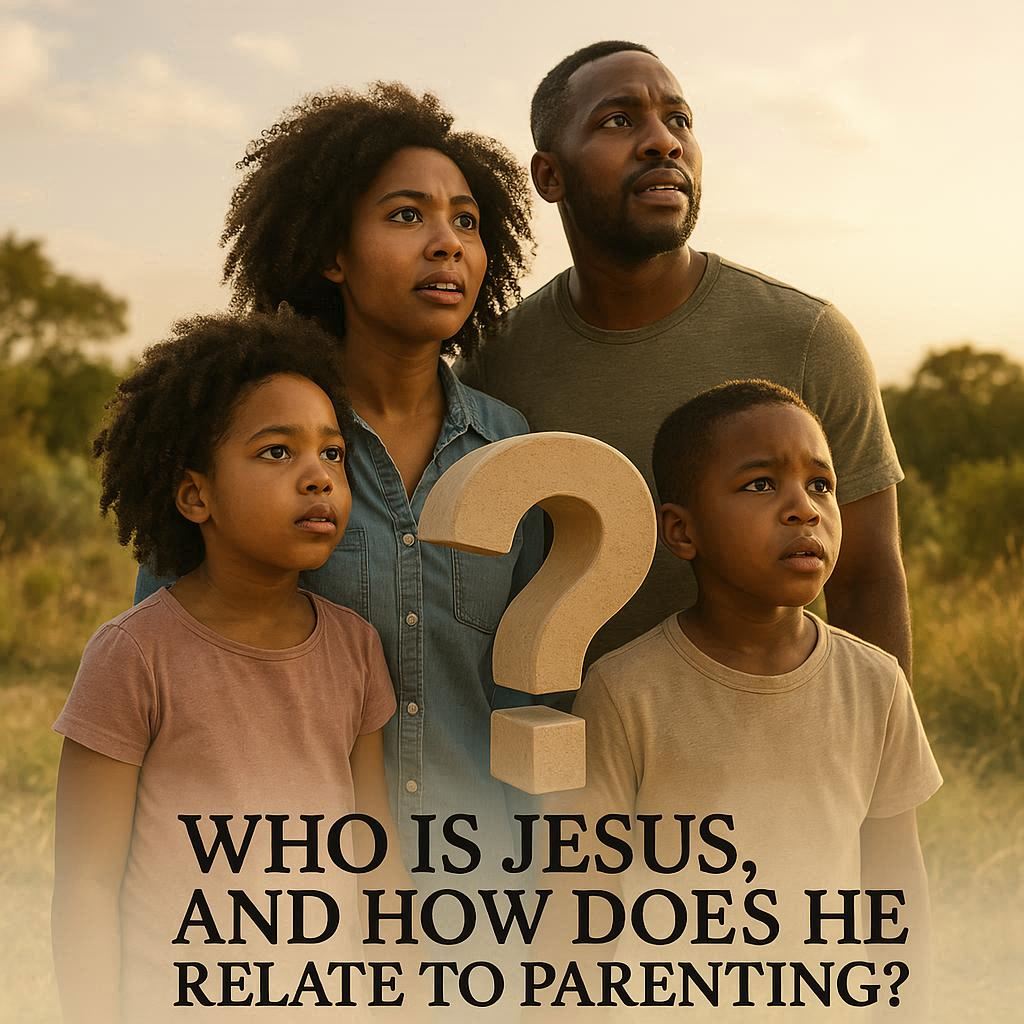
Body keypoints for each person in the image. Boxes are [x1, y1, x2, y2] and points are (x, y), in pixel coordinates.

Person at [134, 84, 542, 873]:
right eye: (405, 215)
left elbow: (534, 707)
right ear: (332, 253)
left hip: (487, 912)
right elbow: (166, 680)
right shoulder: (243, 441)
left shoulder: (515, 451)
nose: (446, 242)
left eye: (467, 220)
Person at [457, 41, 910, 673]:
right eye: (619, 120)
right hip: (555, 758)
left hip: (763, 757)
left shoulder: (807, 336)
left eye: (679, 120)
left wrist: (881, 764)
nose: (662, 142)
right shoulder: (493, 362)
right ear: (549, 175)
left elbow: (865, 578)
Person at [52, 313, 399, 1022]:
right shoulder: (133, 657)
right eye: (277, 452)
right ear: (195, 496)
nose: (317, 478)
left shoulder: (357, 649)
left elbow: (375, 857)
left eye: (332, 455)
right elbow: (85, 882)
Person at [564, 380, 940, 1020]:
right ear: (682, 531)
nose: (804, 509)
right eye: (761, 485)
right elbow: (585, 908)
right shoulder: (624, 691)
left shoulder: (876, 683)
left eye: (821, 484)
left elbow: (895, 883)